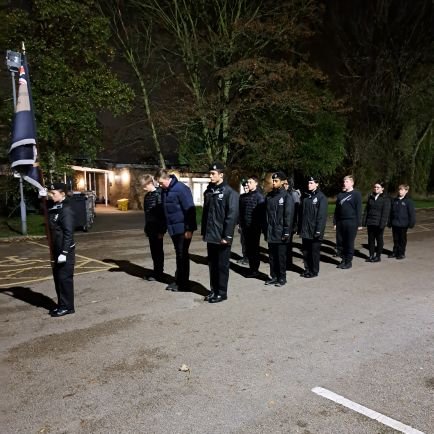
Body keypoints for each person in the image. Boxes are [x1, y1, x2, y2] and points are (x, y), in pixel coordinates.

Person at [201, 162, 239, 303]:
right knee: (212, 265)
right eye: (210, 173)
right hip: (211, 235)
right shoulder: (209, 191)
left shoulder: (230, 193)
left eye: (213, 174)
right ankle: (214, 290)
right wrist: (205, 231)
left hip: (222, 237)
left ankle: (222, 292)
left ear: (221, 175)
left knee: (222, 266)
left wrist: (227, 236)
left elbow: (232, 216)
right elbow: (207, 214)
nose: (210, 176)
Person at [156, 169, 197, 291]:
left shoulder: (181, 189)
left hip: (183, 229)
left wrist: (189, 229)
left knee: (182, 255)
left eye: (161, 182)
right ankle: (179, 280)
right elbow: (165, 212)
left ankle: (183, 284)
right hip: (173, 229)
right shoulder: (165, 190)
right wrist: (162, 229)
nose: (160, 185)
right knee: (179, 255)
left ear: (167, 179)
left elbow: (190, 209)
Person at [47, 182, 76, 317]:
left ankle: (67, 307)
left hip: (65, 251)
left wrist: (64, 252)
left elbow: (68, 233)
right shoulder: (56, 207)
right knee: (58, 279)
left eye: (53, 193)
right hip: (57, 249)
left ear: (62, 194)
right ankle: (62, 304)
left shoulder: (66, 209)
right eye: (50, 193)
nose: (51, 196)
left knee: (64, 279)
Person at [264, 171, 294, 287]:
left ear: (282, 182)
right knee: (272, 257)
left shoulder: (287, 197)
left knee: (280, 257)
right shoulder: (270, 196)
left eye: (276, 181)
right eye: (273, 181)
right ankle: (273, 276)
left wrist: (286, 231)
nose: (274, 183)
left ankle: (282, 278)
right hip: (271, 231)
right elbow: (266, 215)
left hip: (281, 232)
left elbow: (288, 215)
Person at [298, 176, 328, 278]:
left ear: (317, 184)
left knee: (314, 252)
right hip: (305, 230)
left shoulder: (321, 197)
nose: (309, 185)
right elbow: (302, 215)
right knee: (306, 252)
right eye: (308, 183)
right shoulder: (306, 197)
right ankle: (307, 269)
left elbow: (321, 216)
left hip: (315, 230)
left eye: (311, 183)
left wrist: (319, 230)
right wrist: (300, 228)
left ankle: (314, 271)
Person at [333, 175, 362, 269]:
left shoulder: (356, 194)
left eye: (347, 182)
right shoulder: (341, 195)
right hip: (341, 222)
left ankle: (348, 261)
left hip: (351, 222)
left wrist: (359, 223)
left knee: (349, 242)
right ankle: (343, 259)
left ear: (352, 183)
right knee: (340, 242)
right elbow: (337, 210)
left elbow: (359, 210)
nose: (344, 183)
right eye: (344, 182)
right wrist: (335, 222)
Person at [239, 176, 265, 278]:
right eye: (248, 182)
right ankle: (251, 268)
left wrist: (259, 226)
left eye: (250, 182)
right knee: (249, 249)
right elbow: (241, 212)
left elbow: (261, 214)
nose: (248, 184)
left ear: (256, 183)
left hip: (254, 228)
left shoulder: (259, 197)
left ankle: (255, 270)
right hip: (245, 227)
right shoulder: (244, 197)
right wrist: (240, 224)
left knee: (254, 249)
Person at [141, 174, 166, 280]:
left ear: (150, 183)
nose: (143, 188)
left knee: (158, 251)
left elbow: (162, 214)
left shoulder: (159, 194)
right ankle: (156, 271)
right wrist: (147, 227)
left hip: (157, 228)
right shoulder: (147, 196)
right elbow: (147, 214)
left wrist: (161, 231)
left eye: (145, 185)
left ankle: (159, 273)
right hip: (150, 228)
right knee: (154, 251)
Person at [362, 181, 391, 262]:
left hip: (379, 223)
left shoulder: (386, 199)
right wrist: (364, 221)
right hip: (370, 222)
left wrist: (382, 224)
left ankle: (378, 256)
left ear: (382, 188)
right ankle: (371, 255)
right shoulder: (371, 197)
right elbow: (366, 210)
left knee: (379, 240)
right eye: (374, 187)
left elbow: (385, 213)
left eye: (378, 187)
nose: (375, 189)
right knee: (370, 240)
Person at [388, 184, 416, 260]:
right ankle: (395, 251)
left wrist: (411, 223)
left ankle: (401, 253)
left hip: (403, 224)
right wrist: (389, 222)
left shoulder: (408, 201)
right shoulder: (395, 200)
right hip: (395, 223)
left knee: (402, 239)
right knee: (395, 239)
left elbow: (412, 214)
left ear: (406, 191)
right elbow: (391, 212)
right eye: (399, 189)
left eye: (402, 190)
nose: (400, 191)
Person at [283, 177, 301, 268]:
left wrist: (295, 224)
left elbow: (296, 210)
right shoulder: (284, 193)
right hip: (285, 222)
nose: (284, 185)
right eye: (284, 184)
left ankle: (288, 262)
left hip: (291, 222)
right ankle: (285, 261)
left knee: (288, 243)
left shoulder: (293, 194)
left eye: (286, 184)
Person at [237, 181, 249, 265]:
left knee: (249, 243)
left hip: (250, 224)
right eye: (244, 188)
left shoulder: (253, 196)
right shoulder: (241, 197)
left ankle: (248, 258)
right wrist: (238, 224)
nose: (245, 189)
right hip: (242, 224)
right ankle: (244, 256)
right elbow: (239, 211)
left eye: (247, 187)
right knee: (243, 241)